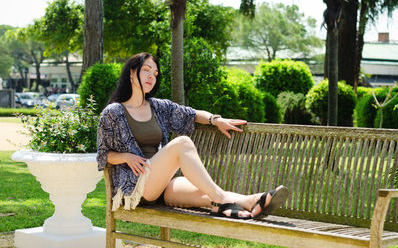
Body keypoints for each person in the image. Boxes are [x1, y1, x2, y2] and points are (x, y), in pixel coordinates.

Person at [97, 52, 288, 219]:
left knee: (206, 194)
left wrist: (215, 119)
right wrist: (125, 156)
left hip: (160, 185)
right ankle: (222, 201)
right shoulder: (114, 112)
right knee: (182, 143)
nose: (151, 76)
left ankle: (253, 201)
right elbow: (103, 155)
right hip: (134, 187)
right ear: (131, 72)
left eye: (155, 73)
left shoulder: (158, 107)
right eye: (146, 70)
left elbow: (192, 114)